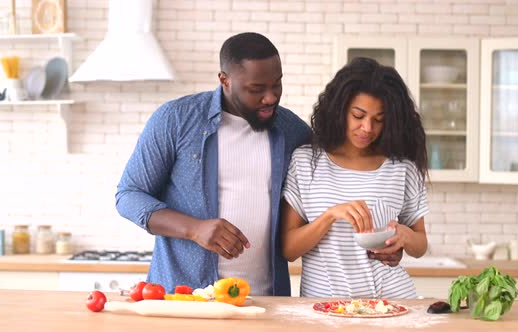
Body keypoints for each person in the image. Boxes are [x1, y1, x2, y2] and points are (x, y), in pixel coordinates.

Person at [115, 32, 310, 296]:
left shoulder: (291, 130)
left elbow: (331, 184)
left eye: (277, 84)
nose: (270, 97)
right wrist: (194, 229)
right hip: (186, 301)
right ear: (225, 80)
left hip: (266, 303)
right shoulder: (176, 120)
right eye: (256, 89)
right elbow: (129, 195)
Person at [280, 57, 429, 298]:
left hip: (391, 302)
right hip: (324, 307)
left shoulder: (400, 167)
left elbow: (421, 245)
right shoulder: (307, 162)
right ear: (340, 110)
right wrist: (329, 216)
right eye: (358, 115)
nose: (368, 128)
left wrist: (405, 236)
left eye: (379, 120)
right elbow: (288, 249)